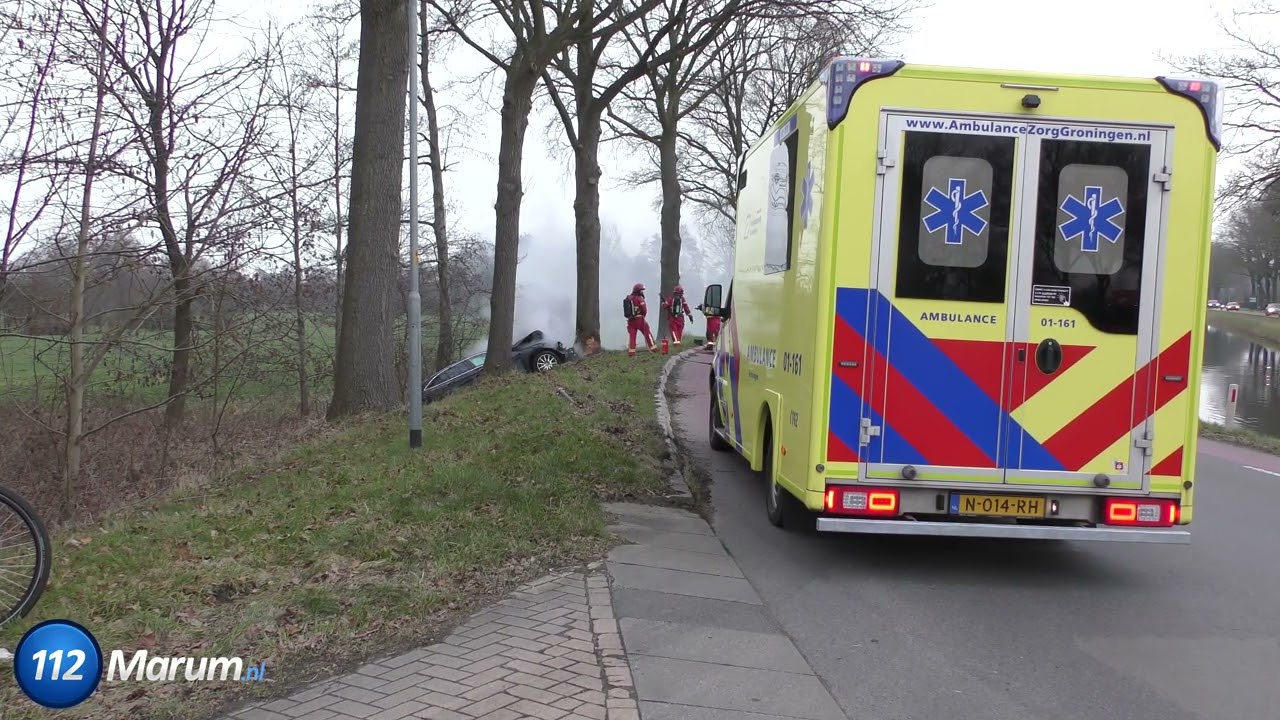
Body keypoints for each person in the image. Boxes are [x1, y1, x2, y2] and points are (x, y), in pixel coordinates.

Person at [624, 283, 656, 355]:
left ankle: (631, 352)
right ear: (638, 291)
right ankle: (653, 348)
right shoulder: (639, 299)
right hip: (639, 319)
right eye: (641, 291)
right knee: (647, 333)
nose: (642, 292)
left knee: (632, 336)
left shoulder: (629, 298)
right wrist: (643, 316)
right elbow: (644, 310)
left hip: (630, 321)